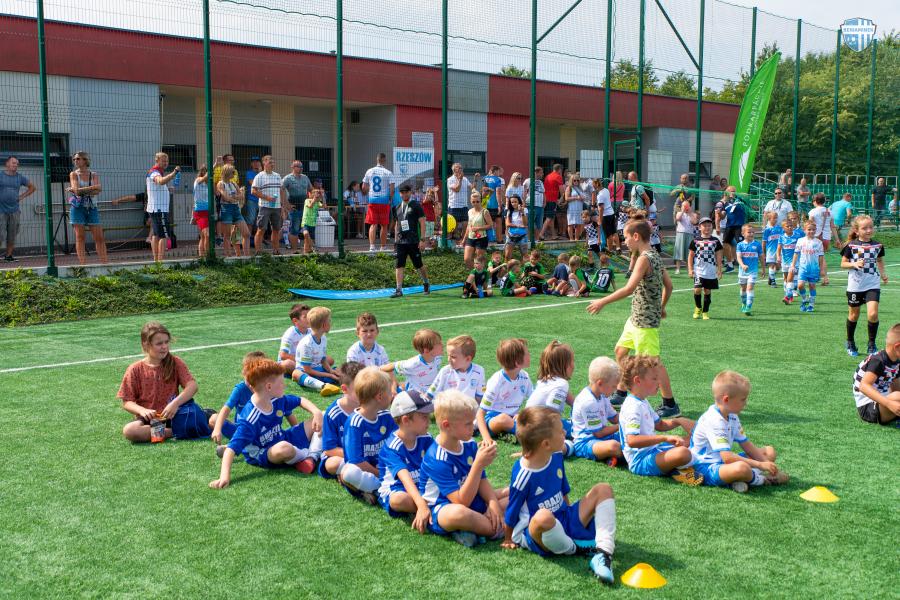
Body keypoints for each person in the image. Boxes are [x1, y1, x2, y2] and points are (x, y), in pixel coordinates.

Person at [502, 406, 617, 584]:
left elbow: (563, 488)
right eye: (560, 431)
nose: (564, 432)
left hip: (564, 517)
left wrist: (573, 518)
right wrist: (508, 538)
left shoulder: (556, 455)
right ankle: (575, 548)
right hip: (536, 533)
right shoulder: (523, 474)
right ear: (546, 444)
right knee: (543, 517)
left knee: (603, 489)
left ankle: (604, 553)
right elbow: (512, 509)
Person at [587, 215, 681, 418]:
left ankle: (670, 403)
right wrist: (661, 307)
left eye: (626, 237)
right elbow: (669, 286)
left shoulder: (644, 259)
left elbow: (629, 289)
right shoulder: (655, 255)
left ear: (636, 236)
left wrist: (602, 301)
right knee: (620, 351)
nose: (625, 241)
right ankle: (621, 392)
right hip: (636, 318)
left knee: (653, 363)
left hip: (644, 321)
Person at [209, 359, 324, 488]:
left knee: (324, 415)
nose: (284, 386)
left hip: (283, 437)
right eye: (281, 383)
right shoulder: (250, 419)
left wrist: (316, 412)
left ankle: (311, 456)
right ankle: (311, 455)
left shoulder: (276, 399)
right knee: (284, 448)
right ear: (269, 387)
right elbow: (230, 449)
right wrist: (224, 477)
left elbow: (300, 400)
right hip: (266, 453)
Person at [418, 390, 509, 547]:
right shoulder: (436, 458)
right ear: (447, 425)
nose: (472, 427)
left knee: (514, 492)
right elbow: (461, 501)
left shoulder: (469, 444)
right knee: (458, 514)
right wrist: (478, 464)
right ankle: (502, 528)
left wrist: (493, 503)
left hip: (472, 499)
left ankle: (476, 527)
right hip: (443, 507)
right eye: (468, 424)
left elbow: (482, 481)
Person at [690, 371, 789, 491]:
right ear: (726, 399)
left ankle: (741, 479)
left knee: (769, 452)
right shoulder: (714, 420)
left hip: (724, 464)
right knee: (741, 468)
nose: (745, 403)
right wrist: (760, 465)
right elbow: (728, 458)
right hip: (705, 468)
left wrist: (766, 462)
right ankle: (764, 480)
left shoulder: (732, 415)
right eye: (743, 400)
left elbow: (746, 444)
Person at [118, 322, 214, 443]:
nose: (164, 346)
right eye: (159, 343)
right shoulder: (135, 369)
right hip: (150, 421)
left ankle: (197, 420)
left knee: (216, 420)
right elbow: (127, 401)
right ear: (145, 344)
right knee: (130, 431)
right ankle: (180, 430)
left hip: (175, 416)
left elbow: (192, 386)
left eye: (166, 342)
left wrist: (175, 404)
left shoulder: (175, 362)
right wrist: (142, 410)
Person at [616, 355, 701, 484]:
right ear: (638, 380)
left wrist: (679, 421)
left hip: (654, 450)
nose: (659, 382)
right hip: (640, 460)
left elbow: (660, 424)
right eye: (654, 378)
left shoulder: (642, 401)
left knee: (692, 439)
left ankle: (675, 468)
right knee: (683, 453)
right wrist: (664, 438)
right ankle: (677, 469)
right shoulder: (633, 407)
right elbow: (632, 441)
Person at [377, 390, 435, 531]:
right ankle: (436, 514)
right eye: (424, 417)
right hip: (399, 489)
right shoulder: (392, 446)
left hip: (421, 487)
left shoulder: (426, 438)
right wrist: (421, 505)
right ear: (406, 420)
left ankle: (434, 510)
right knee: (398, 500)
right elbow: (406, 480)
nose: (429, 421)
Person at [338, 367, 396, 503]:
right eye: (389, 392)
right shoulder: (355, 423)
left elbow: (397, 445)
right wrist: (381, 474)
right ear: (379, 397)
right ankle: (377, 490)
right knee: (349, 473)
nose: (392, 395)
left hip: (386, 469)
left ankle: (377, 490)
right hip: (370, 473)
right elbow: (357, 462)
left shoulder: (387, 416)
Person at [841, 215, 888, 356]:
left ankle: (871, 344)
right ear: (856, 230)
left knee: (873, 314)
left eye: (871, 227)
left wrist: (883, 274)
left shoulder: (878, 245)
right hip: (855, 286)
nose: (868, 230)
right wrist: (854, 264)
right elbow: (843, 263)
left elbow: (879, 260)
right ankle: (850, 341)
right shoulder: (850, 246)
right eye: (864, 228)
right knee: (853, 315)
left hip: (872, 283)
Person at [476, 338, 532, 442]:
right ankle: (532, 435)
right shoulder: (497, 381)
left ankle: (510, 434)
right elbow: (480, 413)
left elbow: (534, 400)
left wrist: (522, 414)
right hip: (492, 419)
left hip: (512, 418)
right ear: (517, 363)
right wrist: (486, 438)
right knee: (503, 419)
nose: (530, 354)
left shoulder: (525, 376)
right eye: (527, 353)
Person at [210, 351, 268, 449]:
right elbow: (226, 408)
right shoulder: (240, 389)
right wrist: (217, 429)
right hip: (240, 431)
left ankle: (233, 447)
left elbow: (286, 411)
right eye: (246, 375)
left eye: (252, 376)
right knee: (214, 419)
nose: (249, 381)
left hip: (262, 433)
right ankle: (241, 445)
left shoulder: (268, 389)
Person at [571, 357, 622, 465]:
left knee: (632, 436)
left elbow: (614, 418)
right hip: (586, 442)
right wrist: (622, 425)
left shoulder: (603, 395)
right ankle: (631, 456)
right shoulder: (588, 401)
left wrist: (630, 417)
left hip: (604, 437)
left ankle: (611, 456)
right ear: (600, 383)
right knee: (613, 446)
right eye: (613, 386)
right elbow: (599, 433)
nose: (615, 390)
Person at [318, 361, 365, 479]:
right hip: (342, 455)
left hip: (367, 455)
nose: (365, 392)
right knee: (332, 464)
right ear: (344, 389)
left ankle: (351, 476)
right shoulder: (333, 413)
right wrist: (357, 455)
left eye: (366, 387)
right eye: (359, 388)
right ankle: (350, 475)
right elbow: (329, 450)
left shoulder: (371, 407)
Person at [852, 322, 900, 426]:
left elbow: (896, 387)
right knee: (897, 396)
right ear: (897, 346)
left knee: (897, 395)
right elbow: (864, 386)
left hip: (883, 400)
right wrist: (889, 403)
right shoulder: (878, 361)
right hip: (868, 407)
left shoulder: (896, 361)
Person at [525, 340, 576, 438]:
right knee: (579, 429)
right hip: (541, 426)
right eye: (572, 361)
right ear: (565, 365)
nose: (574, 366)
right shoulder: (561, 384)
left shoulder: (545, 380)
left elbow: (575, 403)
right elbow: (551, 411)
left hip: (527, 423)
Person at [390, 184, 431, 299]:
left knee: (419, 264)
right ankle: (399, 289)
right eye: (402, 192)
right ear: (400, 194)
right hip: (401, 242)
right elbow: (397, 224)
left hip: (413, 241)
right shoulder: (396, 207)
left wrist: (422, 239)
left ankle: (426, 282)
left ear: (410, 193)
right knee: (399, 264)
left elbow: (422, 222)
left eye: (406, 192)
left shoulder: (416, 205)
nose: (404, 194)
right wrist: (396, 240)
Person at [67, 151, 108, 264]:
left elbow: (98, 191)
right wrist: (92, 188)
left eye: (78, 159)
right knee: (80, 237)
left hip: (92, 207)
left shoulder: (93, 174)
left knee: (99, 237)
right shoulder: (73, 174)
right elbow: (77, 191)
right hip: (78, 208)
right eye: (74, 159)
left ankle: (105, 263)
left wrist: (79, 190)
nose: (75, 161)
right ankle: (83, 264)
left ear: (85, 160)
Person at [291, 306, 341, 395]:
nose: (331, 323)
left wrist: (331, 370)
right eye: (329, 321)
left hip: (318, 369)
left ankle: (329, 382)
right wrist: (329, 375)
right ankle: (323, 386)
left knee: (339, 371)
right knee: (297, 374)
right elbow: (308, 370)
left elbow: (323, 360)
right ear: (324, 325)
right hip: (306, 373)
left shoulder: (323, 338)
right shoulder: (307, 343)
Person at [425, 335, 485, 403]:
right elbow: (431, 393)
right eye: (448, 355)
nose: (448, 359)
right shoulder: (445, 371)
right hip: (447, 407)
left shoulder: (479, 371)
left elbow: (480, 396)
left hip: (468, 408)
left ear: (468, 359)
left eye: (453, 357)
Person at [382, 328, 443, 394]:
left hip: (429, 393)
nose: (442, 344)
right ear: (427, 350)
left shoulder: (437, 358)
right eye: (439, 343)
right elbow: (391, 366)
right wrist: (393, 385)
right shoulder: (412, 364)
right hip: (413, 396)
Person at [0, 156, 35, 262]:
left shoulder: (20, 177)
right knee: (0, 235)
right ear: (7, 164)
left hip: (14, 210)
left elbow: (32, 187)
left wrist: (21, 196)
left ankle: (8, 256)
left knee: (12, 235)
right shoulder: (1, 175)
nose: (15, 165)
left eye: (17, 163)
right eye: (13, 163)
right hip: (1, 210)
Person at [145, 152, 179, 262]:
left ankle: (156, 261)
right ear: (157, 161)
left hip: (156, 209)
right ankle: (160, 262)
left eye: (167, 161)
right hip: (159, 209)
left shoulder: (157, 172)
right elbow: (160, 181)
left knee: (155, 235)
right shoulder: (154, 172)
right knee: (163, 236)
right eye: (163, 161)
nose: (165, 163)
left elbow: (157, 187)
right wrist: (174, 173)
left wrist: (166, 189)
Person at [688, 217, 723, 320]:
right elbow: (690, 256)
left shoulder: (715, 241)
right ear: (699, 227)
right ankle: (698, 307)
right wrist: (690, 269)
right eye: (704, 226)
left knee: (707, 291)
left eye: (709, 225)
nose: (707, 227)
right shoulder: (695, 240)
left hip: (710, 271)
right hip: (698, 270)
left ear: (712, 227)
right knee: (697, 289)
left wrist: (719, 269)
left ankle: (705, 311)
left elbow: (718, 256)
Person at [251, 155, 286, 255]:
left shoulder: (277, 175)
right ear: (264, 163)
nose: (272, 164)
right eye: (270, 162)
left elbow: (281, 190)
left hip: (277, 207)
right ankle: (258, 252)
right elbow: (253, 191)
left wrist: (282, 205)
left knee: (276, 229)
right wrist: (267, 198)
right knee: (261, 229)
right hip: (264, 206)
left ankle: (276, 251)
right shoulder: (259, 176)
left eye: (273, 162)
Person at [792, 220, 829, 313]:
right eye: (809, 229)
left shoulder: (819, 242)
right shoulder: (800, 241)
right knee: (800, 285)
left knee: (812, 286)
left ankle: (811, 304)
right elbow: (796, 253)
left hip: (814, 269)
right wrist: (792, 265)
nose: (811, 231)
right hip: (803, 268)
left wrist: (821, 269)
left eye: (813, 229)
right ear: (804, 230)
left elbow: (821, 257)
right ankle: (804, 299)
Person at [217, 164, 249, 257]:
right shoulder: (220, 184)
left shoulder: (234, 183)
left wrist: (233, 197)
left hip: (236, 209)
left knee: (246, 233)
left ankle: (247, 256)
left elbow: (241, 196)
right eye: (233, 172)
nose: (234, 174)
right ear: (227, 172)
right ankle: (229, 256)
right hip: (226, 209)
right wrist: (235, 197)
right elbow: (226, 198)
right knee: (227, 235)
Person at [283, 160, 312, 251]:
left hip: (305, 208)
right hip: (294, 208)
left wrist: (311, 201)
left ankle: (307, 249)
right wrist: (286, 204)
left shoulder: (305, 178)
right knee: (295, 229)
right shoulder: (287, 178)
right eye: (298, 166)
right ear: (293, 167)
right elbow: (280, 190)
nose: (301, 168)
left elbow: (311, 189)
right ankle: (295, 251)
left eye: (301, 166)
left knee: (306, 228)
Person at [735, 224, 762, 316]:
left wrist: (763, 269)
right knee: (743, 289)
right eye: (749, 232)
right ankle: (744, 303)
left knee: (750, 288)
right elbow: (738, 257)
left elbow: (761, 257)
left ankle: (748, 307)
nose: (751, 234)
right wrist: (742, 265)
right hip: (742, 272)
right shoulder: (740, 245)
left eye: (752, 232)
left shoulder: (757, 244)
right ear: (743, 233)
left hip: (753, 271)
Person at [278, 303, 310, 375]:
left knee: (329, 359)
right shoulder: (290, 333)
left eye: (310, 316)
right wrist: (304, 360)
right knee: (287, 364)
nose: (309, 319)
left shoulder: (311, 331)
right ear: (295, 321)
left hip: (306, 361)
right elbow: (283, 355)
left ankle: (305, 371)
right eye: (305, 317)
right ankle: (307, 372)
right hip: (292, 361)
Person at [776, 218, 802, 304]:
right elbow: (779, 249)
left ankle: (788, 295)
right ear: (783, 228)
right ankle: (789, 294)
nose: (790, 227)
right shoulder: (781, 237)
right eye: (787, 226)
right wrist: (778, 257)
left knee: (790, 278)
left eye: (791, 226)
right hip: (785, 261)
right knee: (786, 279)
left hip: (795, 261)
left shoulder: (797, 236)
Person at [463, 191, 492, 269]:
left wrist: (478, 228)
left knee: (479, 260)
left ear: (481, 201)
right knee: (467, 259)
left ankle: (481, 273)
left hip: (481, 238)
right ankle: (474, 273)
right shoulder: (469, 211)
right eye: (473, 202)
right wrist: (464, 239)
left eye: (477, 201)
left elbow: (490, 225)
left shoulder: (485, 211)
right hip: (470, 237)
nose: (475, 203)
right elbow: (469, 226)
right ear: (470, 201)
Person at [720, 186, 745, 271]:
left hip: (739, 225)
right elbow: (723, 216)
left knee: (741, 244)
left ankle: (744, 263)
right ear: (726, 192)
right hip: (729, 226)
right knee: (725, 243)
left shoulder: (740, 200)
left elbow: (748, 207)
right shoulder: (725, 203)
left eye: (734, 191)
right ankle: (730, 265)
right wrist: (719, 214)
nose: (733, 193)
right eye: (731, 191)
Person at [446, 162, 471, 246]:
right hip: (454, 206)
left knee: (465, 224)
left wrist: (475, 179)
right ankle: (453, 244)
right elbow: (457, 189)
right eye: (458, 168)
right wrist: (460, 179)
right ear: (454, 170)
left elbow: (472, 187)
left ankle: (463, 242)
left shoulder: (465, 179)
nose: (461, 169)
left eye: (461, 168)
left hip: (464, 206)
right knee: (454, 227)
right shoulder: (450, 180)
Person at [541, 164, 564, 240]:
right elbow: (562, 191)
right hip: (552, 200)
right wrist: (561, 200)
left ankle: (553, 235)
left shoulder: (548, 176)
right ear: (559, 169)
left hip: (546, 199)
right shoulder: (558, 176)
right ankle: (541, 234)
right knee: (549, 217)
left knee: (551, 218)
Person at [482, 165, 505, 241]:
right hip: (494, 205)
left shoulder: (485, 178)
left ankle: (486, 240)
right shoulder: (497, 179)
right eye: (498, 171)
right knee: (498, 221)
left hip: (485, 204)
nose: (499, 173)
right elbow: (498, 193)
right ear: (495, 171)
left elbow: (483, 192)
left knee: (486, 223)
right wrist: (499, 205)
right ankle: (499, 239)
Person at [673, 200, 697, 274]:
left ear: (690, 207)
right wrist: (683, 211)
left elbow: (694, 222)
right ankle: (678, 269)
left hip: (689, 234)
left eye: (687, 206)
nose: (686, 207)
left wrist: (690, 213)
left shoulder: (693, 214)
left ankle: (689, 269)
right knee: (679, 252)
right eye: (684, 206)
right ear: (681, 207)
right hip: (680, 234)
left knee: (689, 252)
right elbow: (678, 219)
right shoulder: (679, 213)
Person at [192, 165, 210, 258]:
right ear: (202, 172)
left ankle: (202, 257)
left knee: (203, 236)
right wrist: (214, 165)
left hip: (208, 211)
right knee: (207, 235)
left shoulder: (208, 184)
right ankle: (208, 257)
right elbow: (205, 177)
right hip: (200, 212)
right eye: (206, 171)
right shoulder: (198, 180)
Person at [504, 194, 529, 261]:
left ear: (519, 202)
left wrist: (522, 212)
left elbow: (525, 223)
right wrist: (518, 226)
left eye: (515, 202)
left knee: (525, 256)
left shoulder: (525, 210)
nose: (513, 204)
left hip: (522, 235)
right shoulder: (509, 211)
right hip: (511, 235)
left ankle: (525, 267)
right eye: (512, 202)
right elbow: (507, 223)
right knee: (507, 256)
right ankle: (508, 267)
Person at [761, 211, 783, 287]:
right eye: (774, 218)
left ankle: (771, 276)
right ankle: (773, 281)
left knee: (778, 266)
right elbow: (763, 242)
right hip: (770, 251)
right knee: (772, 265)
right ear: (769, 219)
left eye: (776, 218)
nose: (775, 219)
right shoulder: (767, 230)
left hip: (779, 251)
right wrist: (763, 253)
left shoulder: (780, 228)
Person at [523, 166, 545, 240]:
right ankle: (529, 239)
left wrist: (544, 202)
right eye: (541, 173)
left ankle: (537, 240)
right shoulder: (527, 181)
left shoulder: (541, 182)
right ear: (536, 173)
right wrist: (524, 202)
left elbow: (543, 193)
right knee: (530, 223)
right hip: (530, 205)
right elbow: (524, 192)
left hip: (540, 206)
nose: (542, 174)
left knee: (539, 224)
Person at [564, 173, 587, 241]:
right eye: (574, 180)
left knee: (578, 224)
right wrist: (576, 198)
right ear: (571, 181)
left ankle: (576, 239)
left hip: (579, 208)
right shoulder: (569, 188)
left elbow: (584, 197)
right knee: (570, 224)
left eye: (577, 180)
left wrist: (583, 198)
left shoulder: (580, 188)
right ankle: (571, 239)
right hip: (571, 208)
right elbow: (566, 198)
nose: (576, 182)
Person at [243, 156, 262, 242]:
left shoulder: (263, 173)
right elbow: (253, 184)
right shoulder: (249, 173)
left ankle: (259, 239)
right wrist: (260, 173)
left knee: (261, 221)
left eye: (257, 161)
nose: (256, 163)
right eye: (254, 162)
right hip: (252, 200)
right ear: (251, 164)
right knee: (250, 219)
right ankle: (248, 239)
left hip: (262, 200)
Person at [301, 188, 324, 254]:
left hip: (313, 224)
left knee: (307, 240)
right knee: (306, 234)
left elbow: (324, 206)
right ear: (311, 194)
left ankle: (306, 252)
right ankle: (313, 246)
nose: (316, 195)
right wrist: (314, 198)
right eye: (315, 193)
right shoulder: (307, 200)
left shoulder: (318, 202)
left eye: (317, 193)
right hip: (306, 222)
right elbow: (310, 206)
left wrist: (323, 197)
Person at [596, 181, 617, 252]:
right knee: (614, 232)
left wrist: (600, 219)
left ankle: (610, 250)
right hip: (611, 213)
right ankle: (618, 247)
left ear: (596, 185)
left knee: (608, 234)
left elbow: (601, 208)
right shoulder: (606, 190)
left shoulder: (600, 195)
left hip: (606, 215)